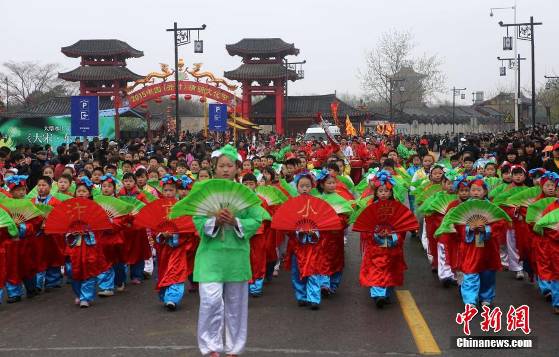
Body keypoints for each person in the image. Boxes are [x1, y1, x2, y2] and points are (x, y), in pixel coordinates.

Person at [194, 144, 263, 357]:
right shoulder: (203, 191)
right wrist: (213, 221)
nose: (225, 169)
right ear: (214, 168)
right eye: (221, 165)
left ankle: (234, 348)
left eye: (229, 165)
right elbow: (196, 219)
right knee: (210, 301)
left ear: (237, 168)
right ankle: (210, 347)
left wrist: (235, 222)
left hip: (236, 256)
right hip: (210, 256)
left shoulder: (246, 193)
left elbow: (257, 219)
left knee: (236, 305)